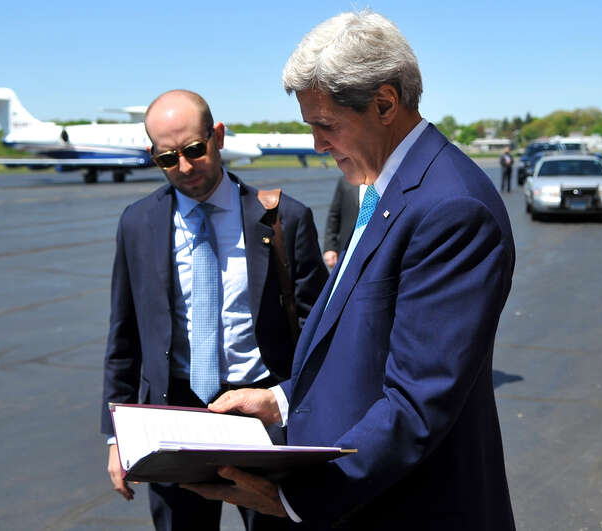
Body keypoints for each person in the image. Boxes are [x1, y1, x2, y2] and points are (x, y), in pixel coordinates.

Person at [183, 10, 517, 531]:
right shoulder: (386, 187)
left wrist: (299, 501)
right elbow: (360, 348)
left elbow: (414, 404)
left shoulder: (451, 208)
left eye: (326, 125)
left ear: (384, 104)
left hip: (405, 509)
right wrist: (280, 400)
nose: (317, 144)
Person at [100, 89, 328, 531]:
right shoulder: (137, 223)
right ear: (153, 156)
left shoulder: (284, 220)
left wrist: (307, 411)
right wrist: (117, 437)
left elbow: (319, 334)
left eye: (193, 150)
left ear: (217, 136)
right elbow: (123, 335)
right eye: (168, 159)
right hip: (173, 418)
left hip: (259, 412)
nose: (183, 168)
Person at [322, 176, 360, 268]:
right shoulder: (345, 181)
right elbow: (334, 215)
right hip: (346, 250)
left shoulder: (387, 183)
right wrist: (330, 248)